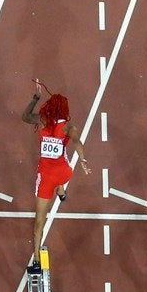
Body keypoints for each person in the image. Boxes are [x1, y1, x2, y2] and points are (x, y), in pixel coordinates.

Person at [21, 80, 90, 270]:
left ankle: (36, 260)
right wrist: (82, 160)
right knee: (60, 177)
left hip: (46, 177)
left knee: (39, 222)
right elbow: (77, 143)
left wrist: (35, 98)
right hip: (64, 173)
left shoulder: (42, 120)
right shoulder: (69, 127)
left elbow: (25, 116)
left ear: (49, 107)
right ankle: (61, 192)